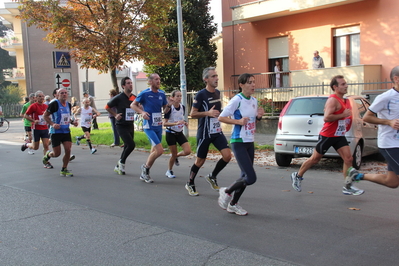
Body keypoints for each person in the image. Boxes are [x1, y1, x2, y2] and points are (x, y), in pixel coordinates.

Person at [290, 75, 364, 196]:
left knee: (349, 159)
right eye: (343, 84)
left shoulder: (343, 100)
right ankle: (297, 176)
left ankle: (347, 186)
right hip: (328, 135)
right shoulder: (333, 100)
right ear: (335, 87)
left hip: (339, 135)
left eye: (346, 84)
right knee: (315, 159)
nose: (346, 86)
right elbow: (327, 117)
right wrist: (343, 115)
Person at [345, 66, 399, 189]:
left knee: (392, 182)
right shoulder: (385, 97)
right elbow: (367, 117)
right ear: (396, 79)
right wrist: (389, 122)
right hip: (390, 144)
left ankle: (357, 175)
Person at [218, 73, 265, 215]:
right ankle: (226, 191)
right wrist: (238, 121)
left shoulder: (254, 101)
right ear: (241, 85)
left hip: (249, 141)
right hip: (238, 141)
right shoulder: (236, 100)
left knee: (244, 176)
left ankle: (233, 204)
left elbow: (251, 123)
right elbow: (222, 117)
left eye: (254, 82)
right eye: (249, 82)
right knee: (250, 178)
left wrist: (258, 117)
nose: (253, 85)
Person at [184, 67, 232, 196]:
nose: (216, 78)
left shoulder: (217, 92)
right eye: (213, 76)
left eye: (217, 76)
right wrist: (207, 113)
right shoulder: (200, 94)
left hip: (216, 131)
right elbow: (192, 113)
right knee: (200, 161)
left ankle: (212, 176)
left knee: (227, 156)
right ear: (206, 79)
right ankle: (190, 183)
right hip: (205, 133)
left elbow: (217, 112)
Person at [131, 73, 170, 183]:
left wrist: (169, 106)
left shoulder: (162, 94)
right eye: (156, 79)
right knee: (160, 150)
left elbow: (165, 110)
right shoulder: (145, 93)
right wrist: (142, 112)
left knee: (154, 150)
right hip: (149, 126)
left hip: (158, 126)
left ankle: (145, 172)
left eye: (159, 79)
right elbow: (133, 105)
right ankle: (145, 169)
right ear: (150, 81)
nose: (159, 81)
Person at [43, 88, 78, 177]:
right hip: (56, 132)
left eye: (65, 93)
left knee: (68, 149)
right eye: (61, 93)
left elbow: (66, 117)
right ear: (57, 95)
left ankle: (64, 169)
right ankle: (48, 154)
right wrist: (52, 124)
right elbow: (45, 116)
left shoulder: (69, 105)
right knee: (56, 154)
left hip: (66, 131)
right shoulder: (54, 104)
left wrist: (72, 122)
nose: (64, 94)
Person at [105, 77, 137, 175]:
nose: (130, 85)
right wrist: (115, 115)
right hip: (121, 125)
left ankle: (118, 166)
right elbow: (107, 107)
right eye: (128, 83)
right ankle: (121, 162)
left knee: (127, 145)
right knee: (131, 144)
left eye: (131, 83)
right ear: (123, 86)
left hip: (130, 124)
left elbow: (137, 106)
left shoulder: (133, 97)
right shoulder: (119, 97)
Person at [163, 90, 191, 178]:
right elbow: (165, 123)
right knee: (173, 153)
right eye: (177, 96)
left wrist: (184, 122)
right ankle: (169, 171)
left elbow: (181, 119)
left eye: (180, 96)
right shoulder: (170, 108)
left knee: (187, 151)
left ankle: (176, 156)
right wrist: (175, 124)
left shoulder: (183, 107)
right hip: (170, 133)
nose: (179, 98)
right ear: (172, 98)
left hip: (179, 133)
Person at [21, 90, 52, 168]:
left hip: (44, 128)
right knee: (35, 147)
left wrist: (49, 120)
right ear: (36, 97)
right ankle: (27, 145)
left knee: (46, 145)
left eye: (42, 96)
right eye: (39, 96)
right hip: (36, 128)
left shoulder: (46, 106)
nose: (41, 98)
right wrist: (34, 121)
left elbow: (48, 115)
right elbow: (26, 115)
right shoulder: (33, 106)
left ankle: (46, 161)